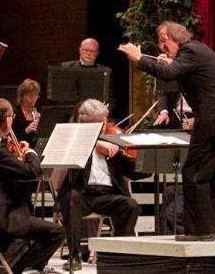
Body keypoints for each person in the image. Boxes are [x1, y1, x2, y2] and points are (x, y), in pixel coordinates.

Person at [119, 21, 215, 241]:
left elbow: (168, 75)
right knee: (213, 175)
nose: (161, 48)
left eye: (162, 42)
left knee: (193, 173)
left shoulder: (189, 50)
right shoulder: (198, 50)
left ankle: (200, 231)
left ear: (169, 38)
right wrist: (170, 63)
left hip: (214, 119)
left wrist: (139, 59)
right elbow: (178, 71)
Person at [0, 98, 63, 273]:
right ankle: (19, 269)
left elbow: (2, 170)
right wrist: (30, 153)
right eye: (11, 116)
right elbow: (32, 172)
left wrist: (15, 159)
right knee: (57, 232)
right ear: (7, 119)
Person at [56, 99, 148, 270]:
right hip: (82, 193)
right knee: (71, 200)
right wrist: (93, 144)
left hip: (108, 194)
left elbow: (135, 173)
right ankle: (74, 256)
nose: (104, 126)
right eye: (99, 123)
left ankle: (116, 255)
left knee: (131, 206)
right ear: (85, 125)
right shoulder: (75, 139)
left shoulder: (115, 140)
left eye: (105, 121)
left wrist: (146, 160)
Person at [61, 37, 117, 109]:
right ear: (80, 50)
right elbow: (60, 96)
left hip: (96, 114)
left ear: (97, 53)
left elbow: (111, 98)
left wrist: (105, 113)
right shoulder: (66, 67)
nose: (88, 53)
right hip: (72, 115)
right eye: (86, 50)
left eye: (92, 51)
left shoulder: (106, 71)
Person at [12, 79, 42, 147]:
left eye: (35, 95)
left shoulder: (37, 113)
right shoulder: (14, 114)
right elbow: (12, 140)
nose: (33, 99)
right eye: (30, 95)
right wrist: (26, 131)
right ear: (21, 97)